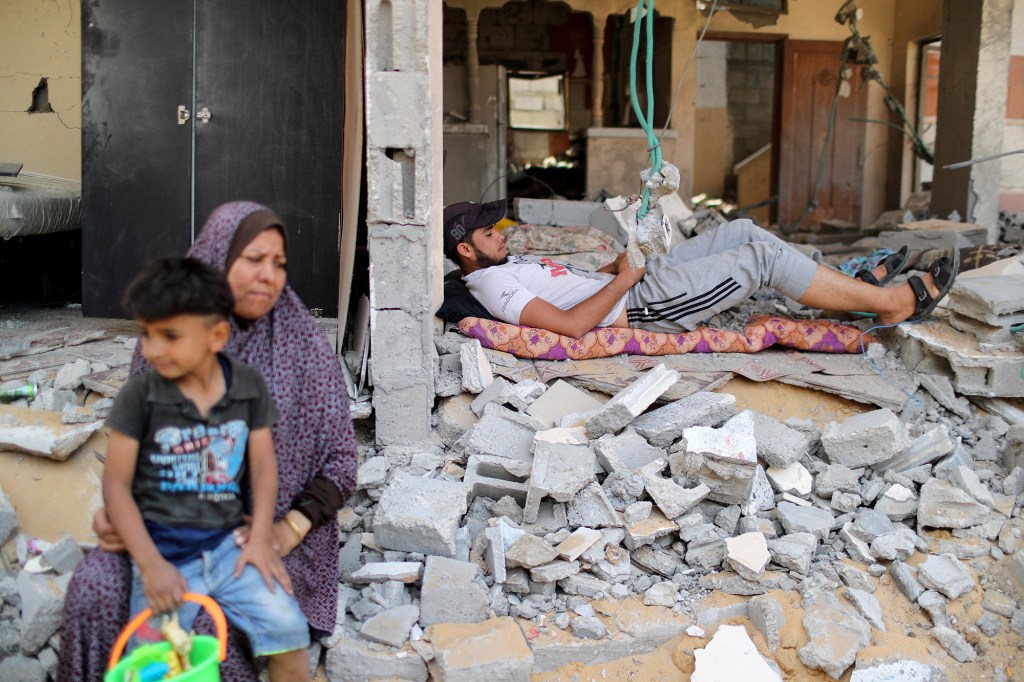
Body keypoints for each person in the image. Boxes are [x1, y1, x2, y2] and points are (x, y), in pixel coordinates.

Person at [60, 202, 358, 682]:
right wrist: (115, 515)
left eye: (279, 264)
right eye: (253, 259)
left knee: (204, 630)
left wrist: (287, 529)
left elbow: (341, 464)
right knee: (94, 586)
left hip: (267, 536)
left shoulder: (302, 345)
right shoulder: (169, 337)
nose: (268, 276)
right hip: (166, 529)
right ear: (217, 258)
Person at [105, 257, 308, 680]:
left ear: (216, 335)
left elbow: (264, 467)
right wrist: (150, 565)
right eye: (147, 334)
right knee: (156, 663)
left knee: (289, 629)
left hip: (227, 549)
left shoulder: (247, 386)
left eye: (170, 336)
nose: (153, 349)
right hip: (163, 554)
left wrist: (258, 538)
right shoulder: (139, 397)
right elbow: (116, 487)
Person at [443, 199, 958, 339]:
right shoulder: (491, 283)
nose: (502, 234)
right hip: (642, 307)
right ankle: (894, 304)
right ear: (467, 251)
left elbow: (565, 287)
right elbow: (574, 327)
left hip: (624, 283)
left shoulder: (499, 262)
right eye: (489, 233)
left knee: (744, 230)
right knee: (761, 260)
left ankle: (852, 289)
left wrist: (616, 263)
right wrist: (625, 279)